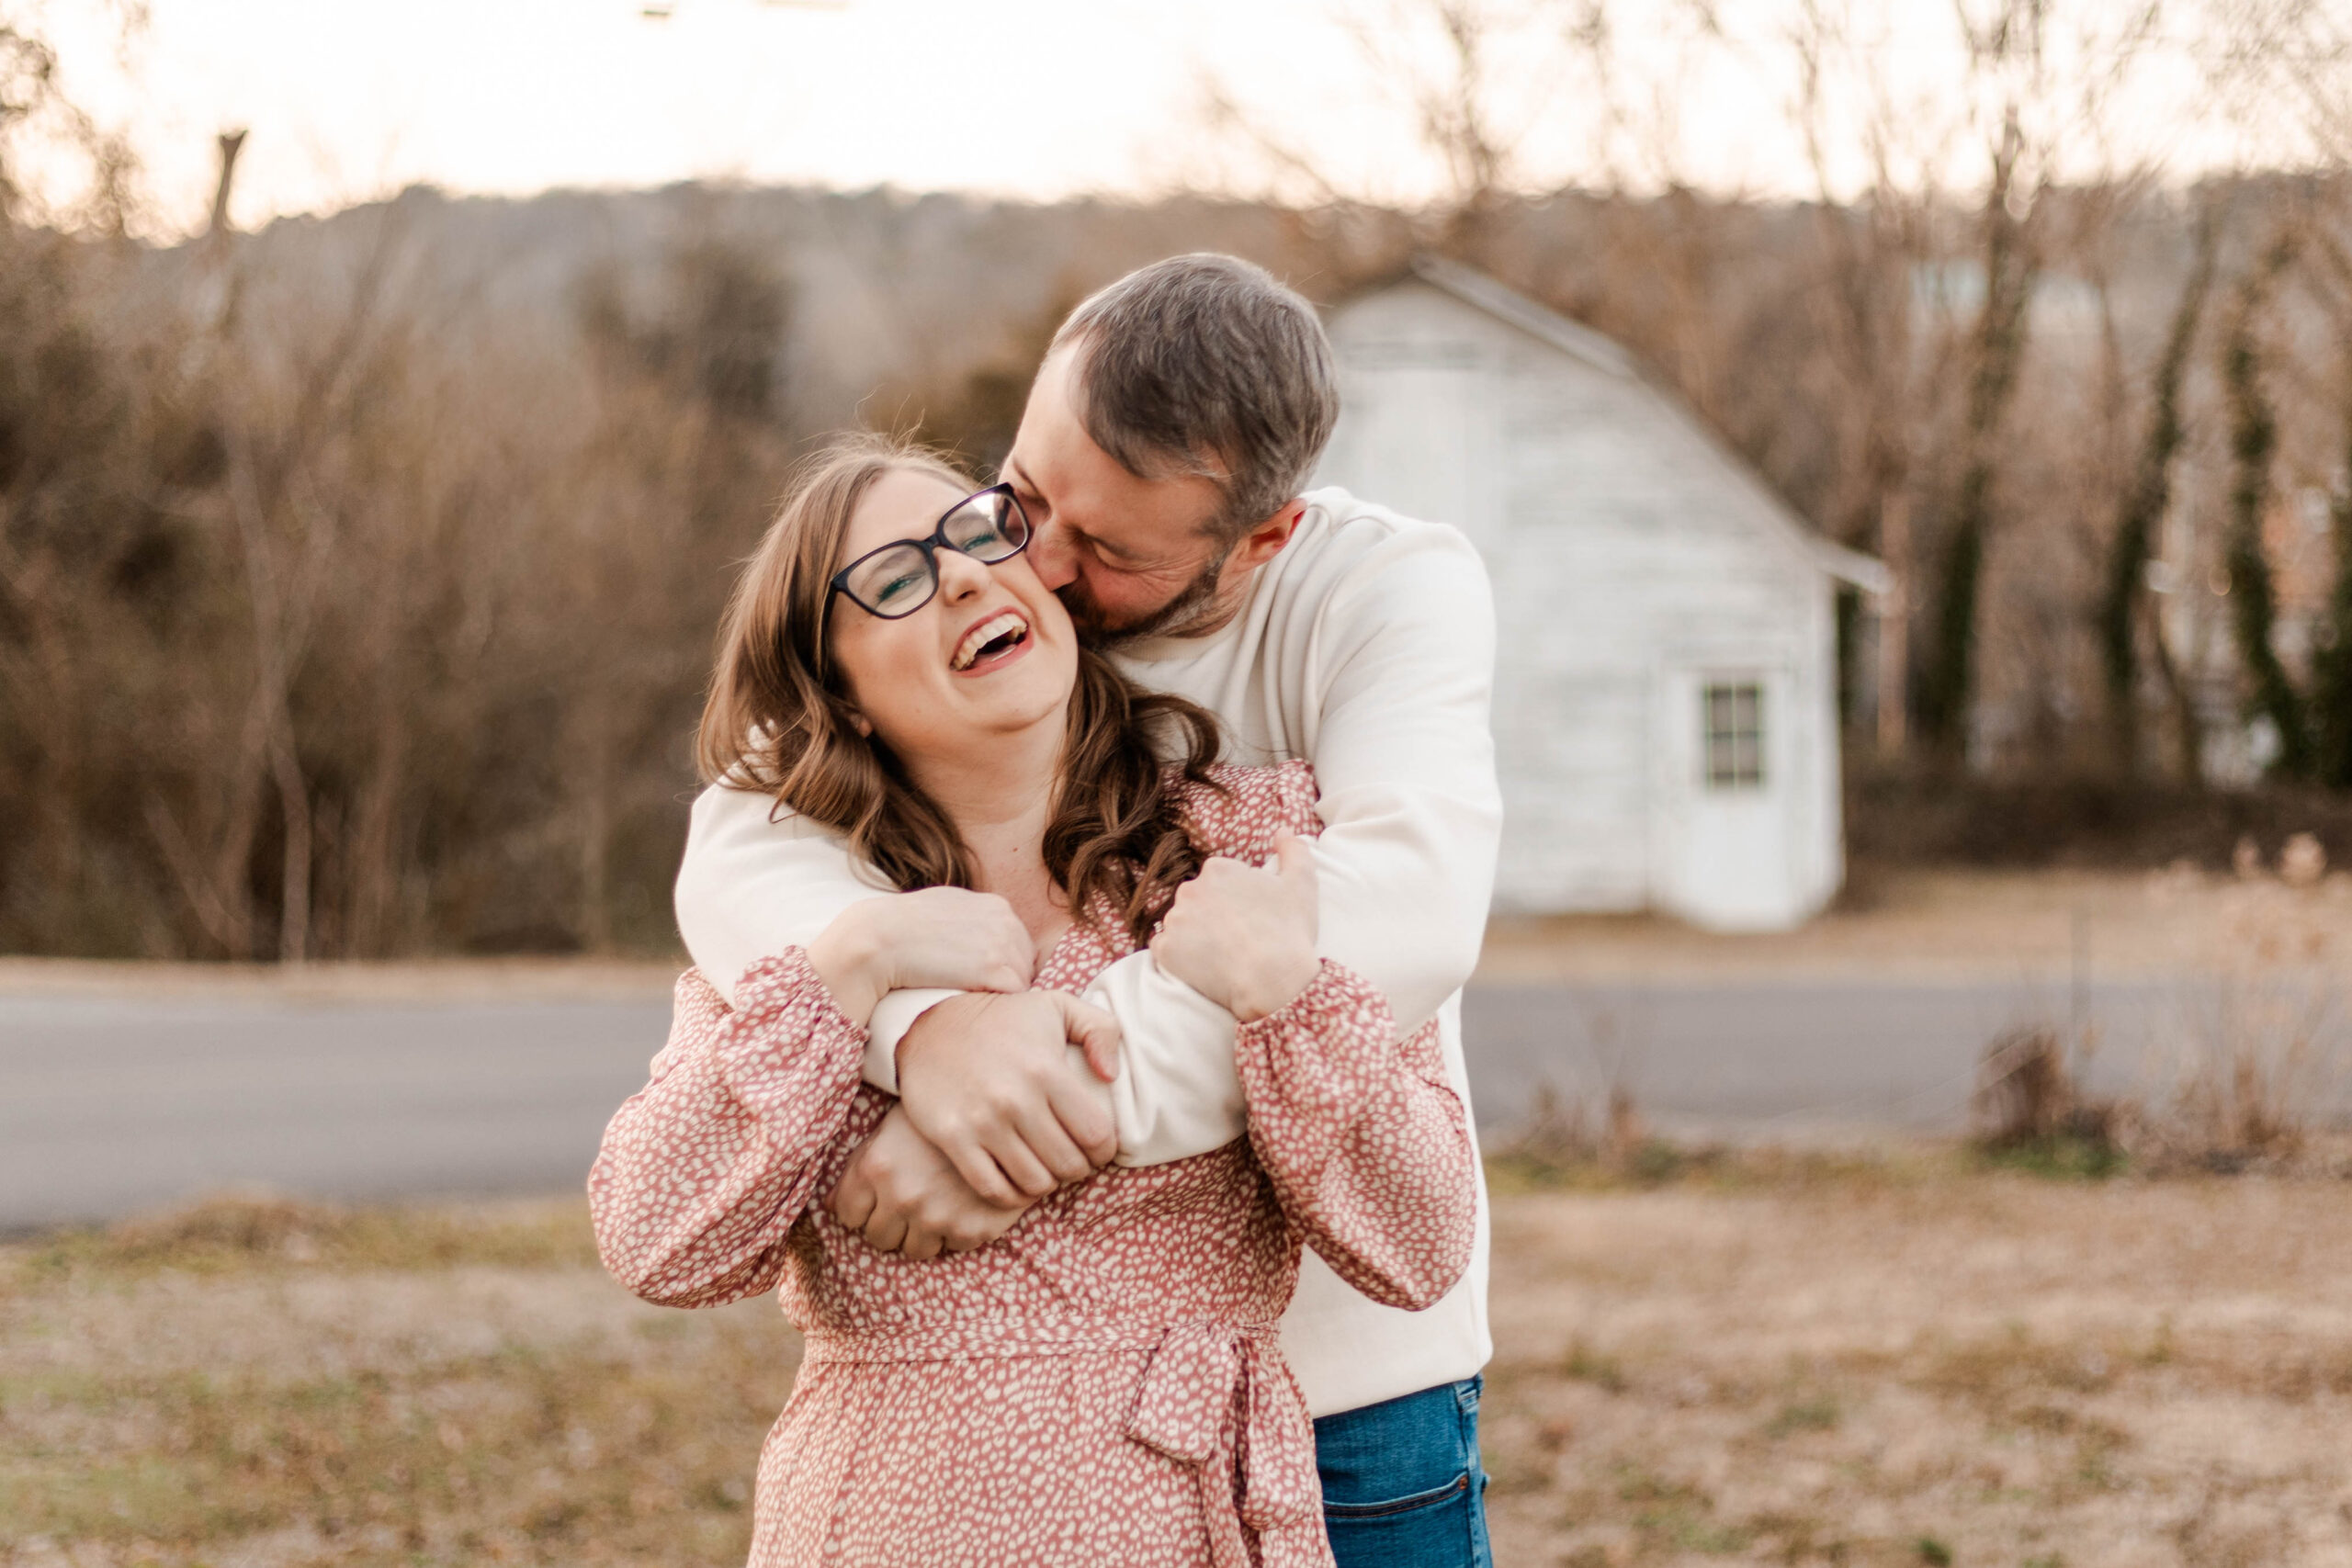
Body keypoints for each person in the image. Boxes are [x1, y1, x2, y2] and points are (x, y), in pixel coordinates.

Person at [674, 254, 1504, 1564]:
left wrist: (1003, 1124)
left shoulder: (1382, 595)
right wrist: (925, 1029)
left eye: (1106, 548)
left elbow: (1393, 920)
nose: (1037, 564)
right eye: (1023, 492)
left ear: (1261, 537)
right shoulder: (968, 579)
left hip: (1345, 1382)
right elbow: (744, 829)